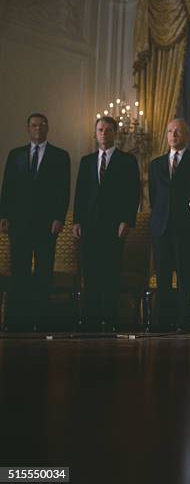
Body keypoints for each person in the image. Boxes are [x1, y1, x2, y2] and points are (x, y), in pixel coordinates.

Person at [0, 113, 70, 331]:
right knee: (19, 271)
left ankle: (41, 320)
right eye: (33, 125)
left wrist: (59, 217)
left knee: (43, 271)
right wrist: (3, 216)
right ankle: (19, 321)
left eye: (41, 125)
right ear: (28, 128)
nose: (37, 128)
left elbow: (63, 190)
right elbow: (7, 188)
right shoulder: (15, 155)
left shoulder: (60, 156)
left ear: (47, 128)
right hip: (19, 223)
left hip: (46, 224)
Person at [73, 116, 140, 332]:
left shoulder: (127, 160)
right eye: (100, 130)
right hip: (90, 226)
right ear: (95, 133)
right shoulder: (86, 161)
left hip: (114, 226)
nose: (104, 133)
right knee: (91, 275)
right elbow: (80, 194)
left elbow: (133, 193)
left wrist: (127, 220)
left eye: (108, 130)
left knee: (111, 274)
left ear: (115, 133)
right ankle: (91, 320)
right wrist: (77, 220)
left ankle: (110, 320)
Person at [149, 119, 190, 331]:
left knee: (185, 278)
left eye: (178, 131)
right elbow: (153, 198)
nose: (174, 135)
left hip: (187, 228)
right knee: (163, 278)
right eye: (170, 131)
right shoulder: (156, 164)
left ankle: (183, 322)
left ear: (187, 136)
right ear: (166, 135)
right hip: (161, 228)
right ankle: (162, 322)